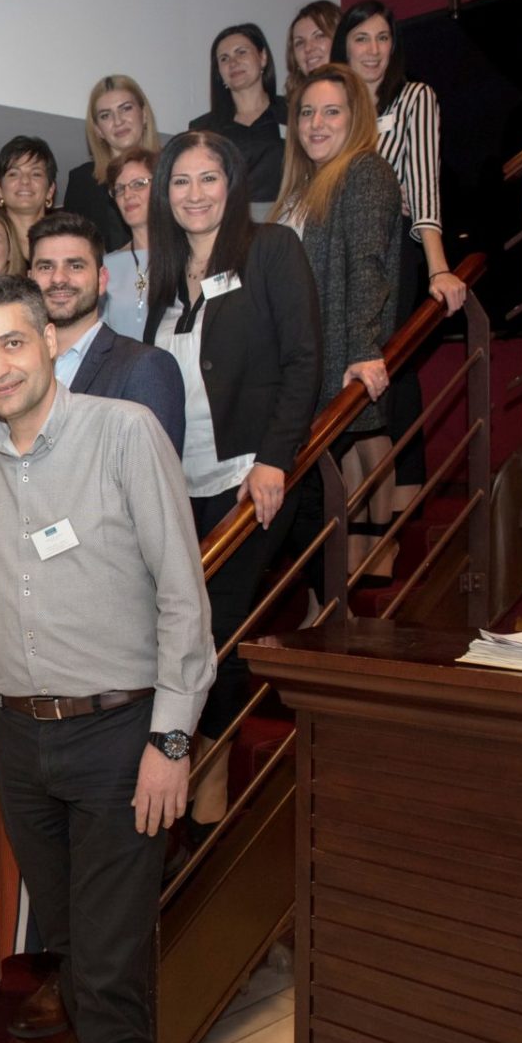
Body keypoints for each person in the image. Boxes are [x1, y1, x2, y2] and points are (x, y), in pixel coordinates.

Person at [0, 272, 215, 1043]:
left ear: (48, 340)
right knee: (78, 952)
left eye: (11, 343)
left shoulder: (124, 432)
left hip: (119, 737)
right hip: (21, 741)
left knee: (105, 969)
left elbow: (183, 597)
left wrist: (171, 739)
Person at [143, 131, 319, 853]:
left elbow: (303, 358)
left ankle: (208, 775)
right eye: (180, 181)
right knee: (177, 628)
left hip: (249, 478)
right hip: (177, 487)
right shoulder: (166, 275)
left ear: (233, 183)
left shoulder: (271, 249)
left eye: (208, 178)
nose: (194, 194)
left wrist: (275, 459)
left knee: (220, 626)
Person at [333, 0, 468, 555]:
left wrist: (439, 267)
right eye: (361, 38)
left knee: (390, 370)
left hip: (394, 252)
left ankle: (390, 522)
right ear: (344, 47)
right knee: (348, 383)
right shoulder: (335, 107)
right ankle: (358, 528)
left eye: (382, 38)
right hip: (340, 257)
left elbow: (425, 186)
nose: (373, 50)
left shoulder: (414, 98)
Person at [271, 65, 404, 576]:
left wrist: (365, 350)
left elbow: (367, 265)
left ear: (356, 117)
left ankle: (330, 599)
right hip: (298, 365)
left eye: (331, 112)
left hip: (334, 368)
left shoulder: (364, 172)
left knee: (305, 495)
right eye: (307, 112)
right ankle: (323, 599)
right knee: (306, 497)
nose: (316, 123)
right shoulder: (302, 187)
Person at [27, 210, 185, 454]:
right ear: (29, 280)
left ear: (102, 280)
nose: (58, 278)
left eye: (75, 266)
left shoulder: (144, 367)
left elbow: (154, 472)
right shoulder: (18, 367)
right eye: (46, 267)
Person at [188, 23, 287, 211]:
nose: (233, 62)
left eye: (241, 52)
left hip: (289, 220)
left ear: (263, 57)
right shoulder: (203, 130)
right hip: (230, 223)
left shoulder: (294, 113)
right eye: (224, 58)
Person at [63, 74, 162, 254]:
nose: (118, 121)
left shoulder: (172, 170)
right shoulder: (82, 182)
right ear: (98, 130)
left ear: (144, 114)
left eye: (126, 108)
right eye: (105, 115)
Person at [98, 147, 158, 340]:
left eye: (139, 184)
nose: (128, 194)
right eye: (120, 189)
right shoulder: (106, 265)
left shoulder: (189, 256)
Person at [0, 135, 58, 251]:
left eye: (36, 174)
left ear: (50, 190)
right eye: (13, 174)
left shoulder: (68, 244)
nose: (25, 180)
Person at [284, 0, 342, 102]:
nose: (308, 48)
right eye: (300, 42)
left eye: (319, 36)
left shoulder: (364, 98)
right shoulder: (293, 106)